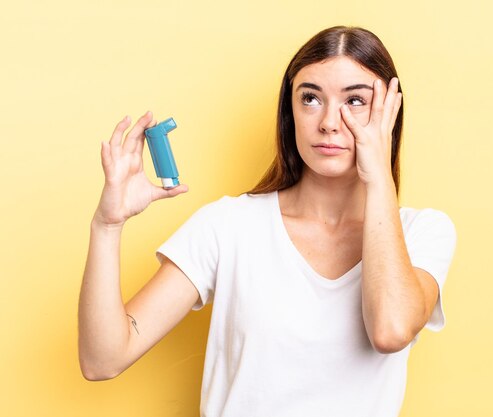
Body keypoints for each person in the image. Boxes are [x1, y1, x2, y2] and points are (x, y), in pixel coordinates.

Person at [78, 26, 457, 417]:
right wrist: (107, 226)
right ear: (290, 112)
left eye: (355, 101)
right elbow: (102, 360)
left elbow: (390, 331)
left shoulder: (423, 233)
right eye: (310, 98)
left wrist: (377, 176)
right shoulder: (229, 225)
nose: (329, 122)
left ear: (390, 112)